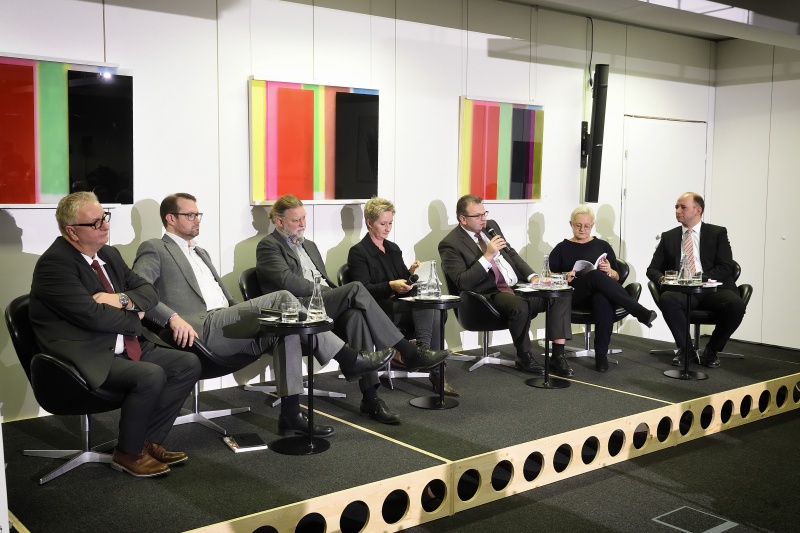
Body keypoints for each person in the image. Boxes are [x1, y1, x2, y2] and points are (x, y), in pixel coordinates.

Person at [132, 193, 394, 437]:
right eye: (190, 215)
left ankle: (290, 415)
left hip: (225, 320)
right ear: (171, 219)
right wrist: (172, 318)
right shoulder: (155, 248)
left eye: (199, 215)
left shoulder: (201, 252)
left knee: (285, 329)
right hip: (199, 328)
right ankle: (349, 358)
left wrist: (237, 309)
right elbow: (137, 290)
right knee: (284, 298)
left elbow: (227, 299)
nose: (197, 220)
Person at [28, 192, 202, 478]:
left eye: (104, 218)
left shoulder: (108, 254)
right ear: (72, 231)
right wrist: (136, 315)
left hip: (123, 342)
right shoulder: (54, 265)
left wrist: (120, 300)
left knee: (188, 364)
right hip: (85, 352)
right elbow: (92, 316)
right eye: (94, 223)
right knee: (150, 375)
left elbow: (148, 291)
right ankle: (127, 454)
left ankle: (146, 442)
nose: (104, 226)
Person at [256, 194, 451, 424]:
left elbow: (325, 280)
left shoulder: (310, 245)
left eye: (304, 218)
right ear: (279, 222)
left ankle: (370, 398)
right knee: (356, 288)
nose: (303, 224)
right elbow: (287, 281)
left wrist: (333, 294)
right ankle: (409, 353)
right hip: (298, 309)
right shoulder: (268, 245)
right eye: (296, 220)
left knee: (357, 316)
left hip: (321, 305)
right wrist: (327, 293)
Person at [438, 194, 574, 377]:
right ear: (463, 219)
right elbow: (462, 282)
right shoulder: (450, 244)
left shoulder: (491, 226)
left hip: (517, 287)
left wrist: (533, 277)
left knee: (560, 294)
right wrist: (487, 255)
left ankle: (558, 356)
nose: (483, 218)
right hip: (488, 294)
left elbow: (512, 255)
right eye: (477, 216)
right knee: (520, 305)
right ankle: (524, 356)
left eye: (484, 213)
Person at [347, 197, 458, 397]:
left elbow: (402, 280)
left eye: (390, 223)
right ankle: (431, 364)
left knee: (432, 305)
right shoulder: (358, 253)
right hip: (379, 310)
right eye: (383, 223)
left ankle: (425, 358)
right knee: (429, 308)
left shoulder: (393, 248)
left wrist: (411, 273)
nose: (388, 228)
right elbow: (361, 290)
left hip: (401, 304)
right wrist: (391, 286)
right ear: (369, 223)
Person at [549, 206, 658, 372]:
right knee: (594, 276)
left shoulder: (603, 246)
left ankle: (601, 355)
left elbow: (617, 277)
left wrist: (610, 271)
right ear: (571, 224)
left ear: (592, 225)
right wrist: (565, 276)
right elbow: (550, 277)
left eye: (586, 226)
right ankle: (639, 311)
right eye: (578, 225)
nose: (582, 229)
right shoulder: (560, 248)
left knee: (602, 298)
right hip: (572, 296)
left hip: (598, 294)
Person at [646, 192, 745, 368]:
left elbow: (725, 267)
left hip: (712, 289)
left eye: (683, 207)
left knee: (736, 305)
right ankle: (687, 350)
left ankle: (712, 350)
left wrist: (699, 279)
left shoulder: (717, 233)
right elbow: (652, 269)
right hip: (682, 290)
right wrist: (663, 278)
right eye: (676, 207)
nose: (677, 210)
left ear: (698, 210)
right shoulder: (668, 237)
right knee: (668, 299)